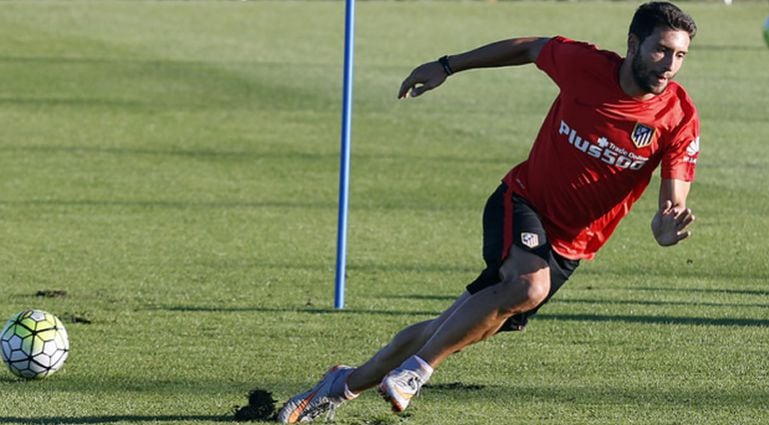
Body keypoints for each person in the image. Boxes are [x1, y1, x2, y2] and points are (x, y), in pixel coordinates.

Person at [276, 1, 699, 422]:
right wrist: (447, 65)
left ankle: (341, 385)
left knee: (446, 327)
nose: (669, 64)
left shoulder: (678, 116)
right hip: (522, 202)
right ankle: (416, 372)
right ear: (633, 44)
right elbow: (529, 48)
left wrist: (666, 225)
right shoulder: (583, 64)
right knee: (528, 288)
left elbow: (672, 202)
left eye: (680, 55)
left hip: (572, 247)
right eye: (661, 50)